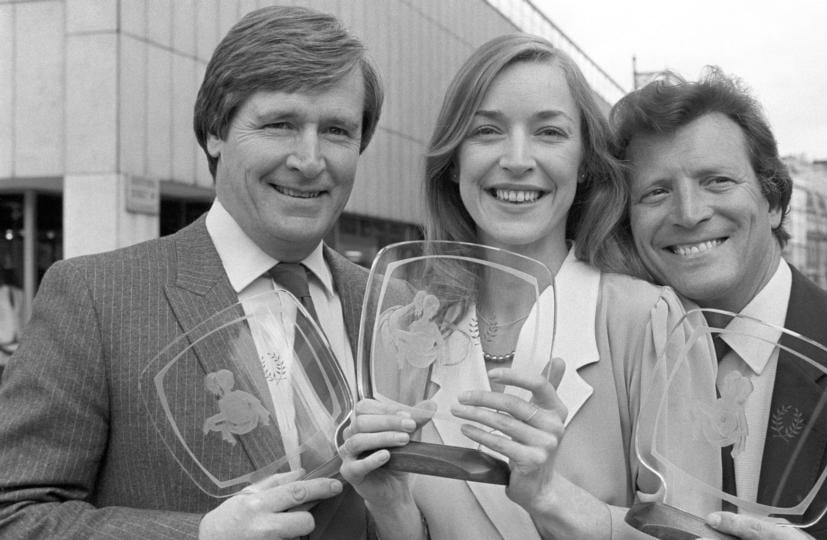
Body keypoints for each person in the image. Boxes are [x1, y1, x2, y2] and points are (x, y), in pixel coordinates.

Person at [0, 6, 383, 539]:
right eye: (280, 124)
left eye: (338, 130)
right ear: (214, 134)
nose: (310, 158)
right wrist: (199, 536)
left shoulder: (388, 306)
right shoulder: (94, 300)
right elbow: (13, 514)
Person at [338, 33, 700, 540]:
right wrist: (390, 506)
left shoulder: (650, 320)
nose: (516, 158)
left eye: (549, 132)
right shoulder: (403, 333)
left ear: (585, 162)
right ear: (454, 160)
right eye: (487, 130)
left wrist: (551, 498)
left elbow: (696, 532)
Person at [610, 67, 827, 539]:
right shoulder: (629, 368)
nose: (689, 213)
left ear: (773, 201)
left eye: (716, 181)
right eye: (656, 191)